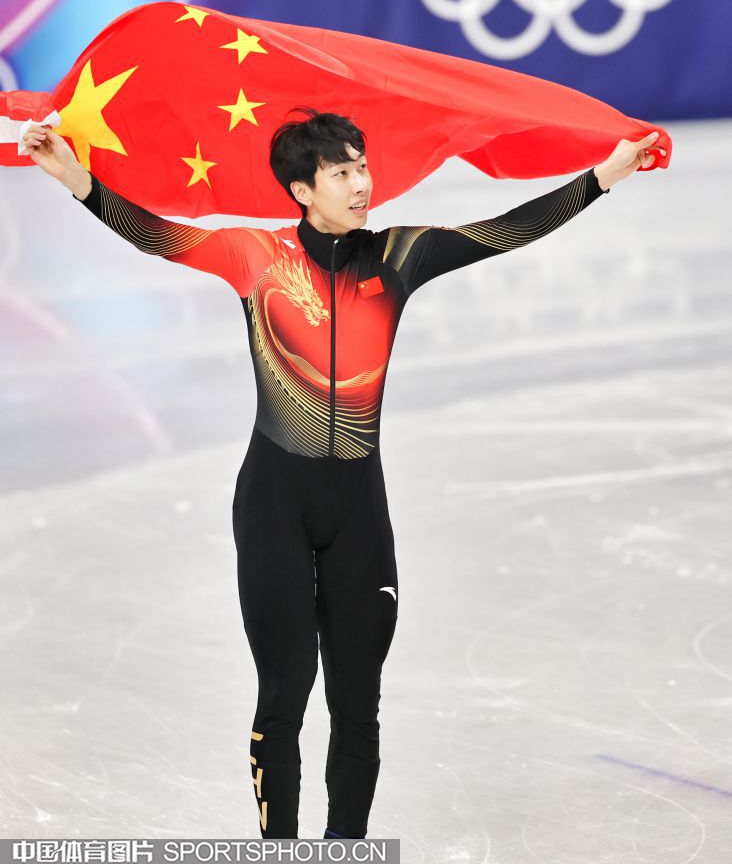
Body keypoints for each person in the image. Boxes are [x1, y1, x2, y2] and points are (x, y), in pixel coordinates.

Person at [21, 110, 662, 839]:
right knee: (285, 694)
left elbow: (506, 230)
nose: (361, 185)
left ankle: (344, 852)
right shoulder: (254, 257)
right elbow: (157, 235)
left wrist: (603, 177)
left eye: (362, 167)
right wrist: (74, 178)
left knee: (358, 703)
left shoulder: (399, 255)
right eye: (341, 173)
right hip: (275, 506)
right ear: (302, 189)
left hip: (358, 510)